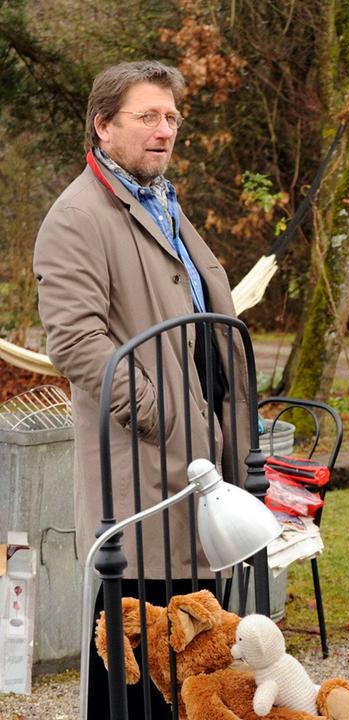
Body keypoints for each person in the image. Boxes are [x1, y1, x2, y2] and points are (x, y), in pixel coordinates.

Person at [32, 60, 251, 715]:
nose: (165, 131)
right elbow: (75, 340)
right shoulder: (77, 217)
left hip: (203, 474)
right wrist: (163, 416)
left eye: (173, 118)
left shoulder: (165, 206)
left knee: (199, 668)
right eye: (147, 117)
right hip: (140, 482)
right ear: (103, 125)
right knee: (135, 679)